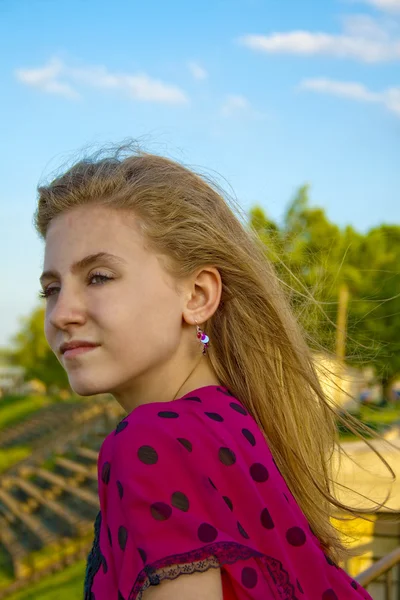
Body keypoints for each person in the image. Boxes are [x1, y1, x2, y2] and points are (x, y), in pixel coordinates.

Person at [35, 145, 375, 599]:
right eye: (51, 289)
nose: (62, 314)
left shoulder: (149, 441)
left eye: (98, 276)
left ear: (197, 295)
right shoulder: (237, 422)